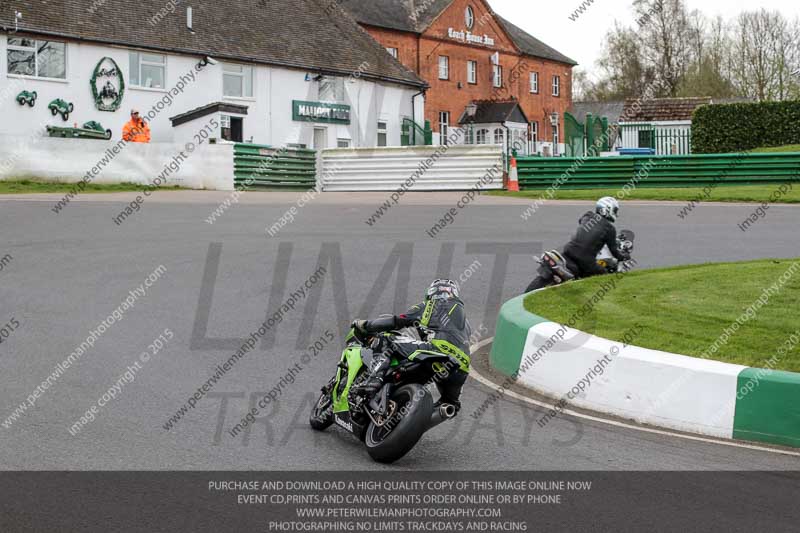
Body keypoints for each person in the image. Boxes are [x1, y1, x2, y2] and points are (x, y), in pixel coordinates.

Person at [352, 279, 471, 413]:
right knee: (450, 404)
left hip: (437, 351)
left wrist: (366, 325)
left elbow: (397, 321)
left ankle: (374, 381)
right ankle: (422, 417)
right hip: (461, 367)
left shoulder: (430, 305)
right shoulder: (466, 323)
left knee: (386, 339)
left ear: (431, 293)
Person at [562, 196, 629, 278]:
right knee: (605, 275)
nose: (616, 213)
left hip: (568, 250)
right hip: (585, 260)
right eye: (614, 210)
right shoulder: (610, 229)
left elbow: (581, 223)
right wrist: (624, 256)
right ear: (606, 210)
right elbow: (614, 252)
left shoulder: (588, 215)